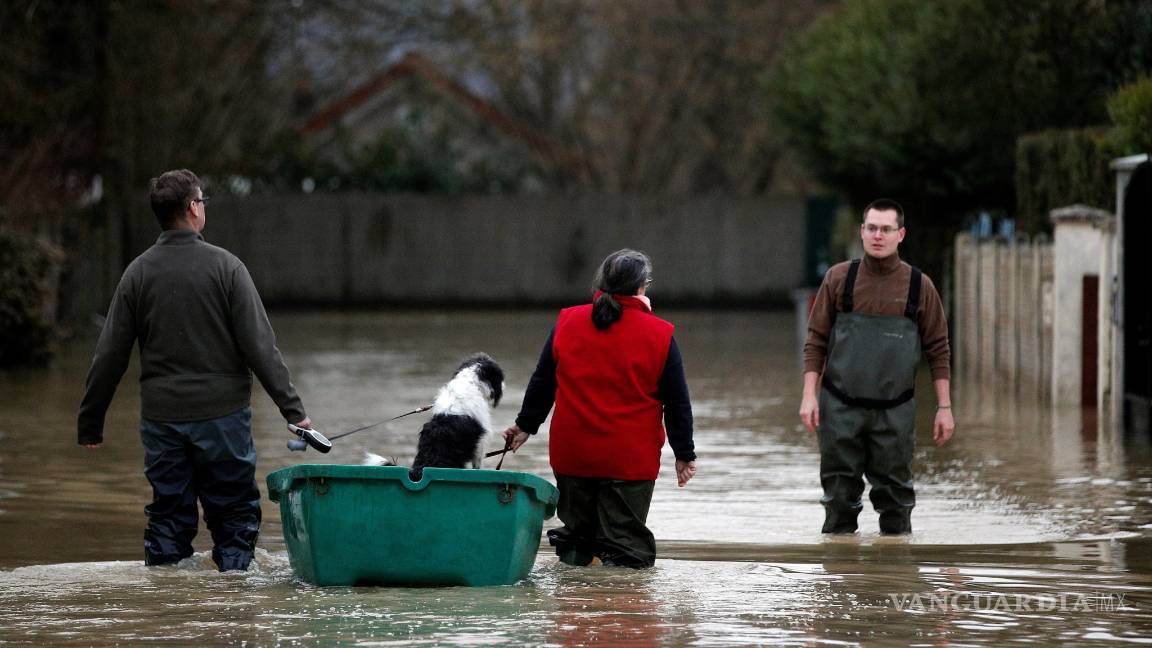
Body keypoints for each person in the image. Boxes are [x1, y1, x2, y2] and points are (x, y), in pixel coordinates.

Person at [77, 169, 312, 571]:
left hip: (162, 419)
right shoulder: (228, 268)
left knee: (168, 518)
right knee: (234, 516)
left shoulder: (137, 273)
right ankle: (231, 600)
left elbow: (110, 354)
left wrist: (90, 422)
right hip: (223, 418)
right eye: (202, 201)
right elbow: (260, 347)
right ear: (191, 209)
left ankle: (168, 606)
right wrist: (294, 413)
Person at [503, 249, 697, 567]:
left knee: (577, 540)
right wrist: (684, 454)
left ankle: (575, 607)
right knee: (625, 550)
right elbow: (677, 403)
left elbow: (543, 382)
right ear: (641, 287)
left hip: (573, 454)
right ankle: (616, 610)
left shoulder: (567, 322)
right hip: (628, 461)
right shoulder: (660, 334)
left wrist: (525, 426)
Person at [798, 198, 955, 535]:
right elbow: (815, 342)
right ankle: (840, 575)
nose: (878, 235)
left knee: (896, 504)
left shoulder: (919, 286)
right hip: (840, 409)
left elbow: (938, 350)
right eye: (872, 228)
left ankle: (894, 574)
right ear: (862, 231)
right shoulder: (839, 278)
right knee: (839, 501)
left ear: (901, 234)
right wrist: (809, 396)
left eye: (886, 229)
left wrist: (944, 407)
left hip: (895, 411)